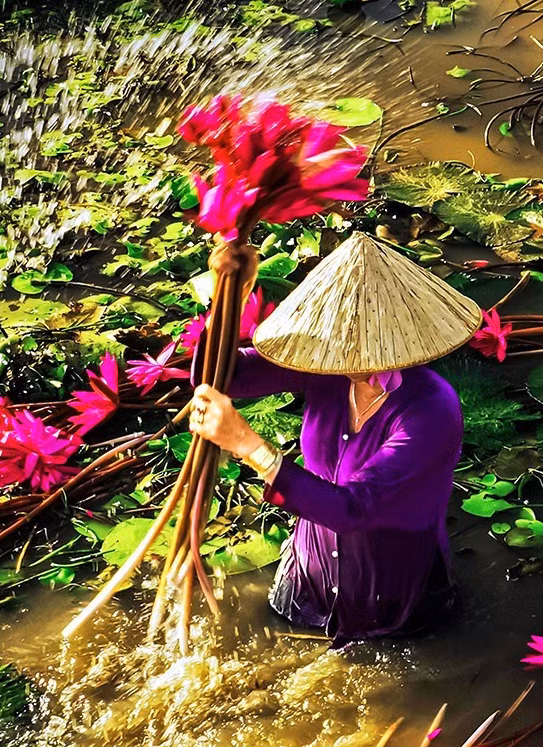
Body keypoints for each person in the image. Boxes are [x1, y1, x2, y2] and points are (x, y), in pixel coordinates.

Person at [185, 233, 483, 642]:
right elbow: (221, 376)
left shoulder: (431, 409)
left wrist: (248, 445)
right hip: (311, 572)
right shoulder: (325, 365)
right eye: (343, 341)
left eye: (364, 345)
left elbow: (354, 510)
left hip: (393, 589)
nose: (350, 356)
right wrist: (228, 298)